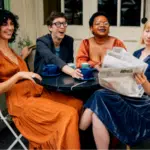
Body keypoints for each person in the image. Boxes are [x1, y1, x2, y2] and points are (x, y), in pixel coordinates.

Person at [0, 9, 82, 149]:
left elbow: (11, 66)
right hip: (21, 102)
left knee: (76, 104)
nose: (10, 27)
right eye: (4, 24)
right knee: (68, 114)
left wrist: (23, 57)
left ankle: (60, 143)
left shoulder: (11, 50)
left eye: (12, 23)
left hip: (37, 91)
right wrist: (19, 75)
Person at [79, 20, 150, 149]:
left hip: (143, 105)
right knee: (98, 111)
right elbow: (127, 81)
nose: (149, 36)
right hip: (128, 96)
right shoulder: (137, 53)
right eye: (147, 31)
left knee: (100, 95)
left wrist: (144, 82)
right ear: (143, 32)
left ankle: (81, 126)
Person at [35, 11, 83, 79]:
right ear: (50, 27)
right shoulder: (41, 42)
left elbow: (69, 62)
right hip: (43, 79)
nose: (62, 26)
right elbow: (51, 58)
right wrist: (71, 71)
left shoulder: (69, 40)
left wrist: (75, 71)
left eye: (64, 23)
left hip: (62, 78)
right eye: (58, 24)